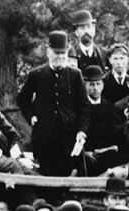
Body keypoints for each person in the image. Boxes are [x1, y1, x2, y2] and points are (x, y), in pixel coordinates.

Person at [18, 31, 90, 176]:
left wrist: (82, 131)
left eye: (63, 53)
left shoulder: (75, 75)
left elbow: (84, 106)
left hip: (69, 136)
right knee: (46, 173)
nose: (60, 56)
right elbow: (22, 99)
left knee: (70, 172)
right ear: (48, 52)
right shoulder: (36, 74)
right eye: (56, 53)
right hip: (44, 136)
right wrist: (31, 116)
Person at [72, 9, 108, 75]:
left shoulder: (104, 54)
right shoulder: (71, 54)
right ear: (76, 32)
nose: (86, 31)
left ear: (94, 28)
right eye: (82, 27)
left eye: (89, 26)